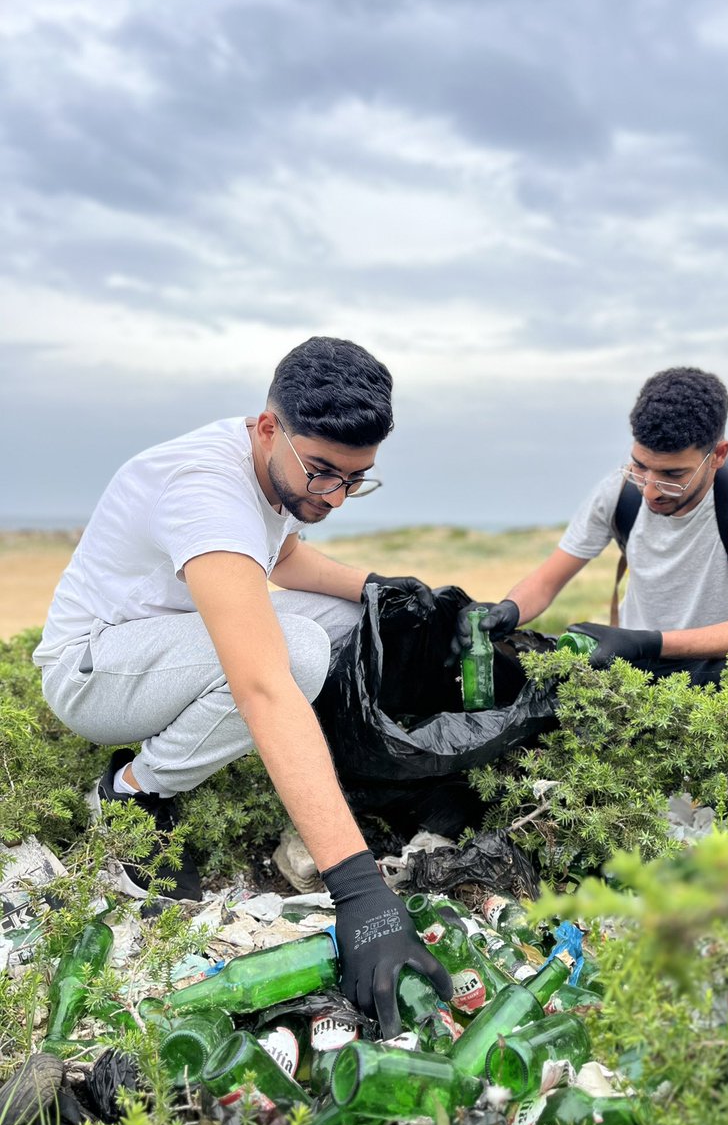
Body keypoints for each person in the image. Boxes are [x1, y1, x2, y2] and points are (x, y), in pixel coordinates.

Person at [33, 336, 452, 1035]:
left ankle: (339, 780)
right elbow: (262, 684)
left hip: (169, 648)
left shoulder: (273, 466)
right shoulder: (205, 490)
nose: (337, 497)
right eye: (324, 473)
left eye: (356, 478)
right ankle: (133, 793)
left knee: (359, 619)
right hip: (95, 671)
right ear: (268, 428)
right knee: (295, 652)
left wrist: (382, 588)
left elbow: (283, 559)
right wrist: (358, 891)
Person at [453, 367, 728, 682]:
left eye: (673, 476)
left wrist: (645, 643)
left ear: (717, 455)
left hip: (716, 677)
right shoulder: (619, 492)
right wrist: (509, 609)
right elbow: (546, 582)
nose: (650, 491)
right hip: (635, 678)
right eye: (640, 466)